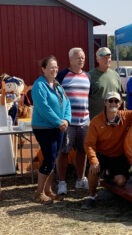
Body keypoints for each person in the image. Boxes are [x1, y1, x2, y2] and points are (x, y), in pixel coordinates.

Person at [81, 91, 132, 210]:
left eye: (116, 101)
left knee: (121, 182)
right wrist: (93, 160)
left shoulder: (125, 116)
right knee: (93, 169)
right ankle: (91, 196)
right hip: (102, 154)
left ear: (120, 104)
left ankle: (108, 177)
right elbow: (89, 144)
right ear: (105, 103)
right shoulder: (96, 121)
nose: (113, 103)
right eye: (110, 101)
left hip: (118, 156)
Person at [31, 55, 71, 204]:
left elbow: (67, 103)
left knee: (53, 158)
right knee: (49, 158)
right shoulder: (39, 85)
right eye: (51, 67)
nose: (54, 70)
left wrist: (66, 119)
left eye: (56, 67)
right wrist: (58, 121)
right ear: (43, 69)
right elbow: (43, 108)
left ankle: (48, 190)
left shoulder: (58, 85)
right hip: (44, 127)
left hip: (59, 126)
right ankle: (39, 193)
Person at [56, 48, 90, 195]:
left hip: (84, 121)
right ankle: (62, 182)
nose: (81, 60)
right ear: (70, 59)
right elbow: (54, 96)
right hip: (68, 122)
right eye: (78, 57)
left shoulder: (87, 76)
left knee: (83, 151)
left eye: (82, 57)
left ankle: (80, 179)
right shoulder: (62, 75)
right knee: (64, 152)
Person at [88, 47, 122, 120]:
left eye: (108, 57)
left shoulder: (116, 75)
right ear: (97, 59)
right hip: (96, 120)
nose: (107, 59)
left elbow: (120, 97)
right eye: (104, 57)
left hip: (114, 119)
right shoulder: (90, 76)